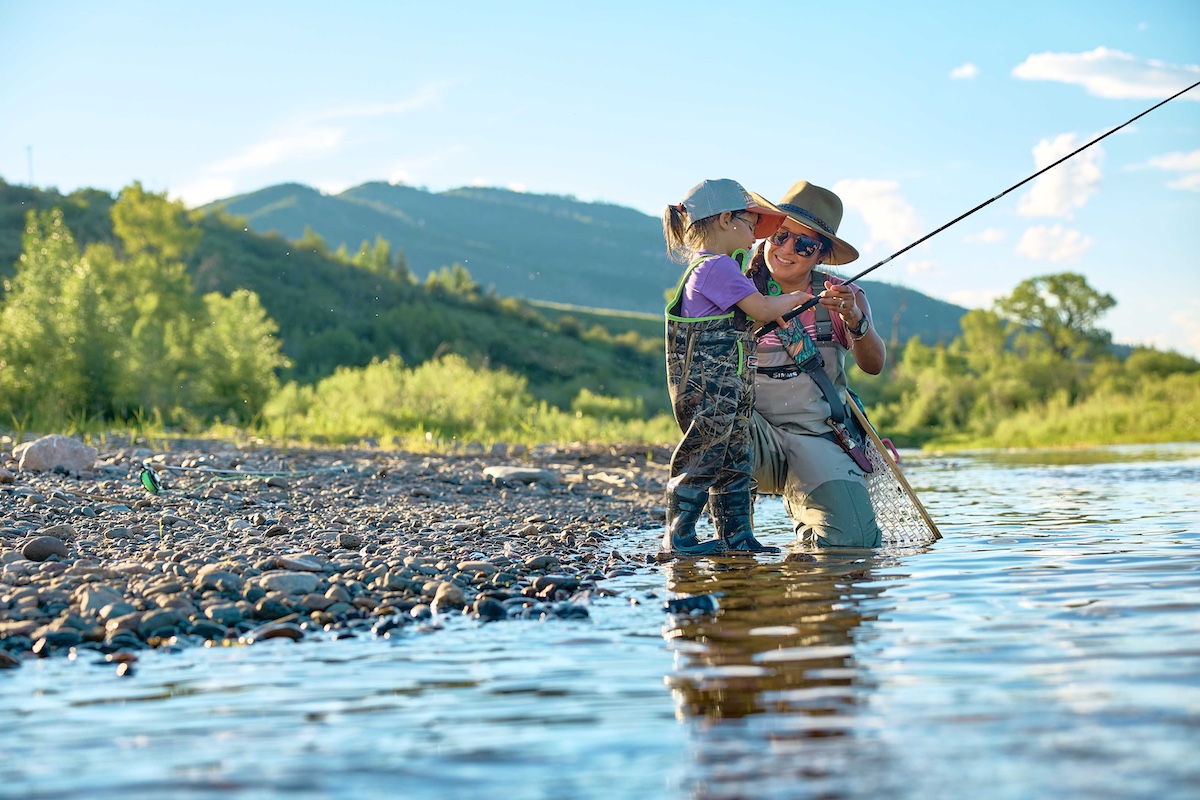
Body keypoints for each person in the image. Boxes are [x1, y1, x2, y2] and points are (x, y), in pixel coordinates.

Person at [660, 178, 808, 557]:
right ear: (726, 220)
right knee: (704, 456)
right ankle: (679, 538)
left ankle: (736, 537)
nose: (755, 238)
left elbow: (745, 320)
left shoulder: (716, 269)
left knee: (735, 460)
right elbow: (760, 309)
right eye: (749, 225)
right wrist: (800, 298)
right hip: (709, 390)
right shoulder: (716, 267)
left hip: (733, 388)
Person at [745, 181, 887, 548]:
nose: (787, 249)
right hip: (752, 439)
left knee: (853, 548)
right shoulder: (733, 284)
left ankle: (809, 518)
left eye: (804, 245)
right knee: (716, 423)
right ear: (765, 235)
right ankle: (733, 540)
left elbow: (874, 365)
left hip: (819, 439)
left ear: (821, 255)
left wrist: (856, 320)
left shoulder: (845, 296)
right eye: (780, 236)